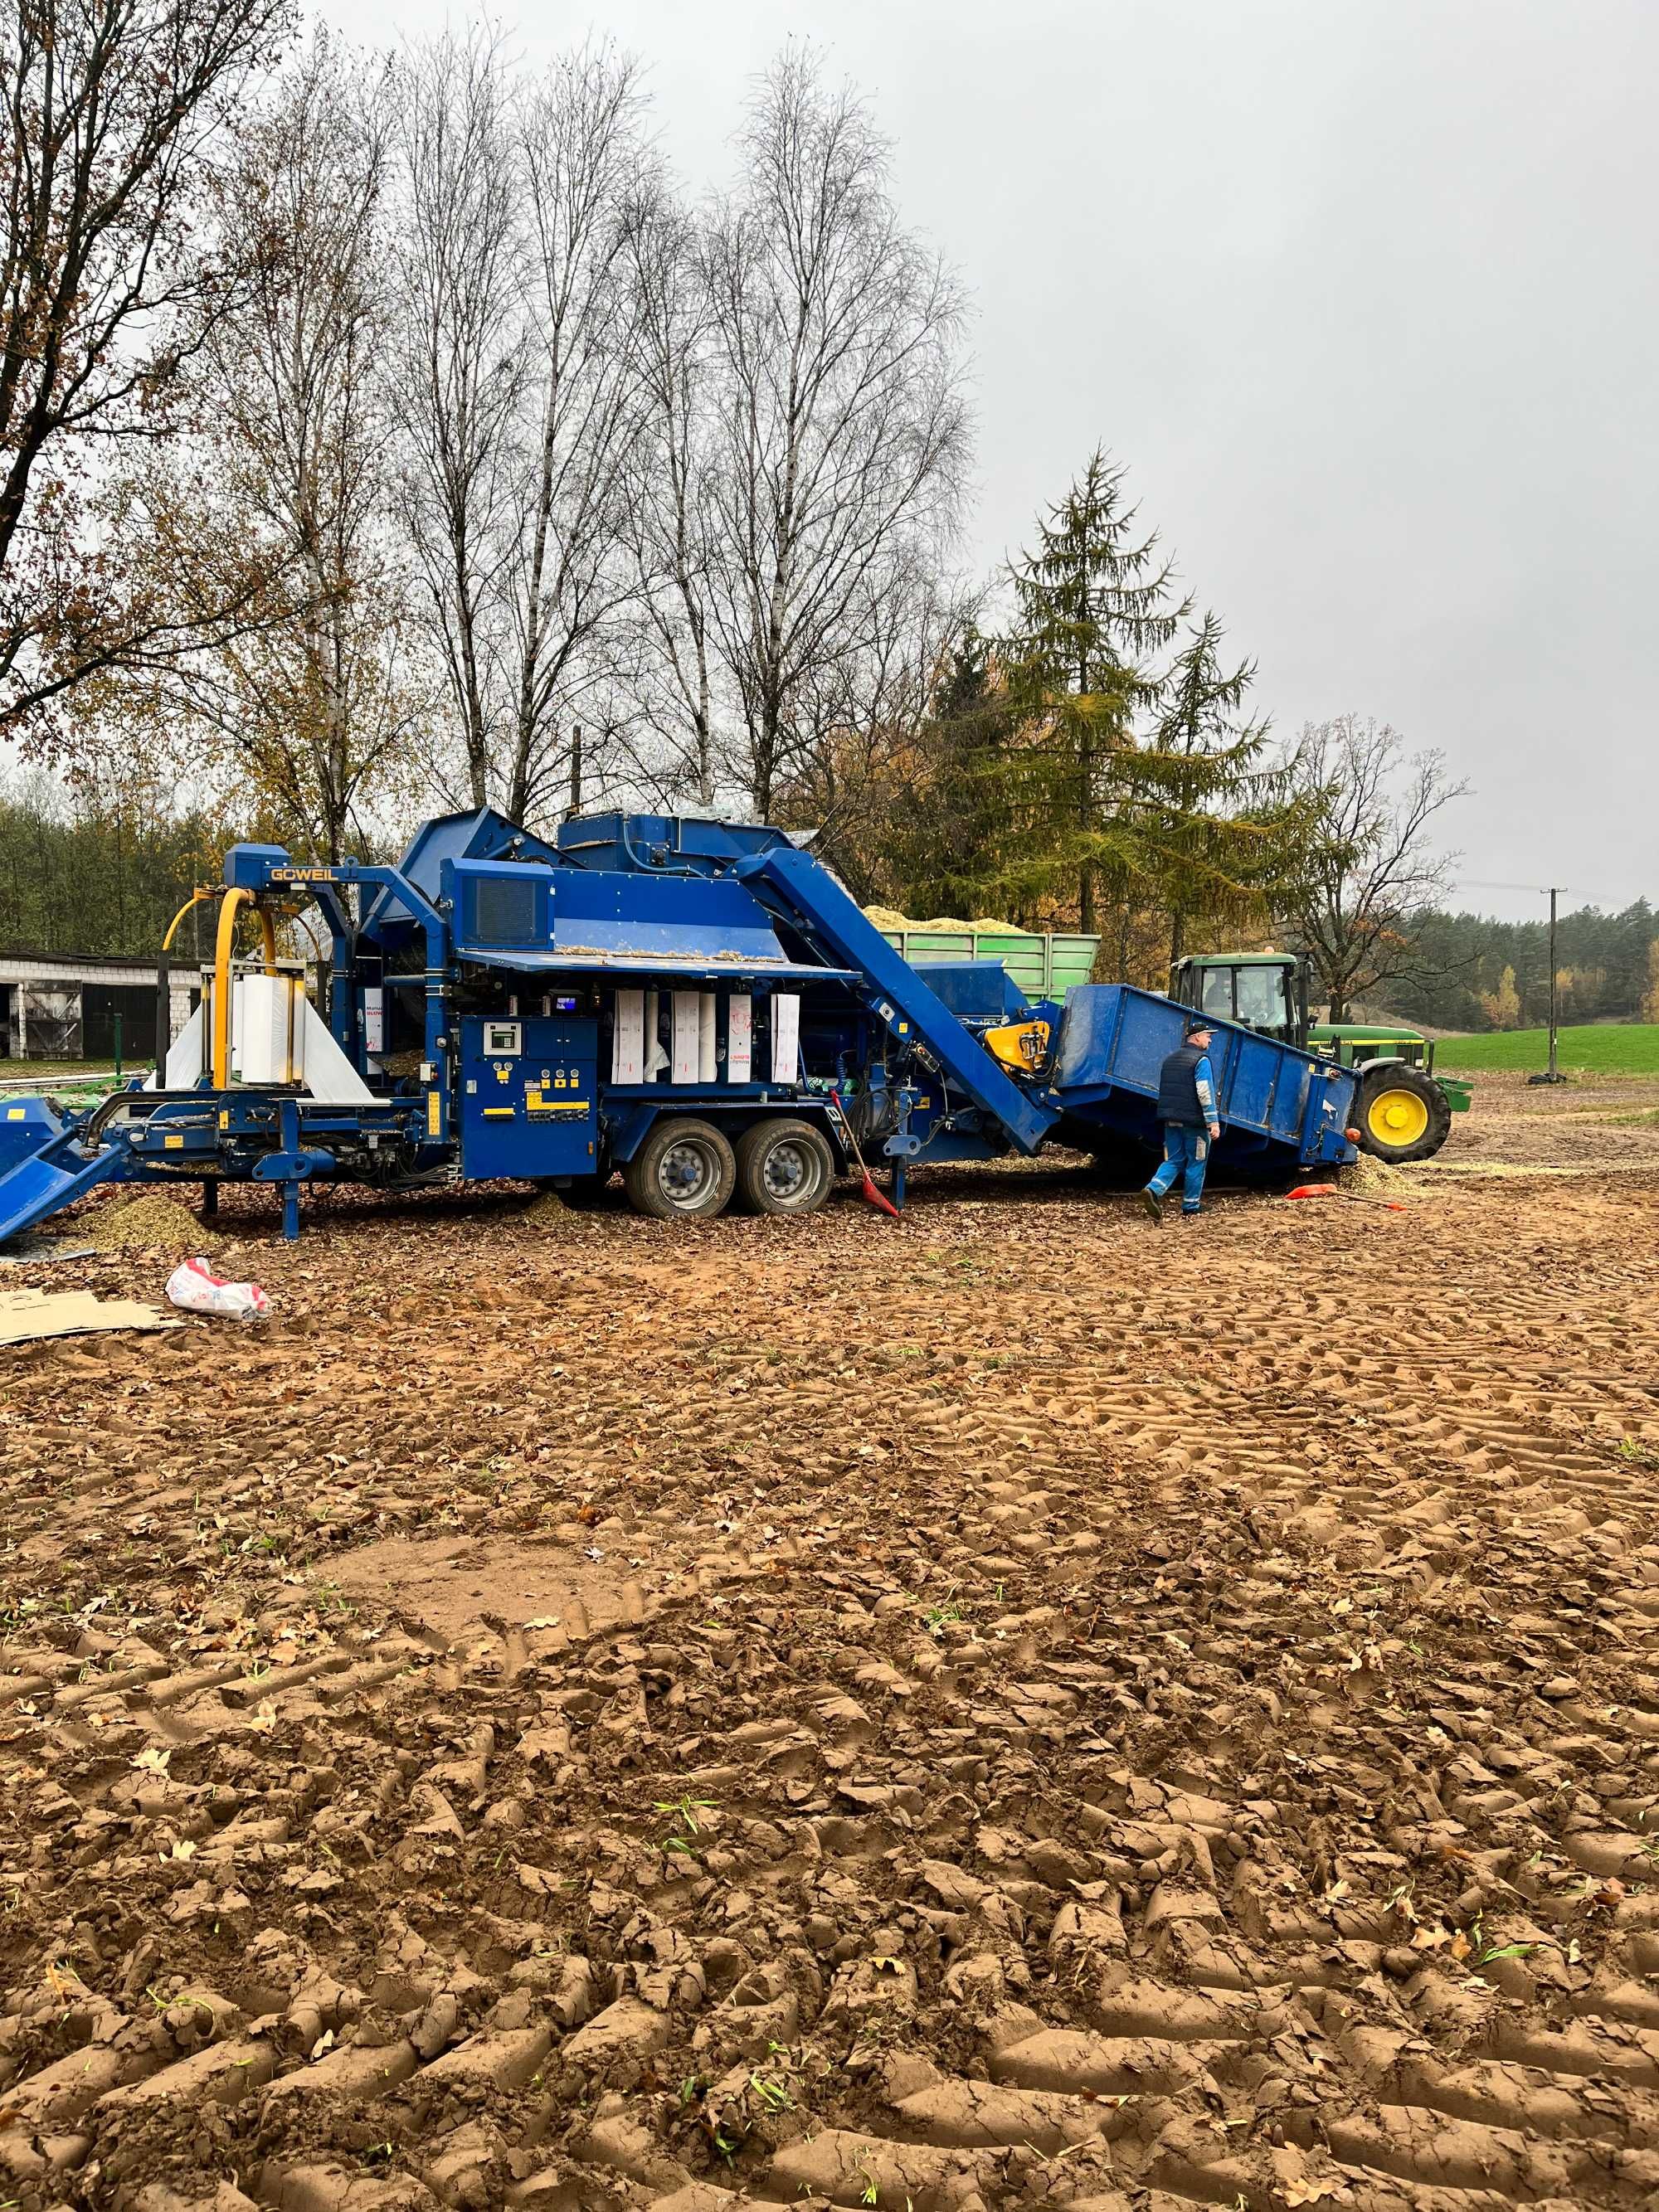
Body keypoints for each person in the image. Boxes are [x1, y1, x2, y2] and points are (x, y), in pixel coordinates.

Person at [1141, 1014, 1221, 1223]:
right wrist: (1213, 1122)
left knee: (1174, 1159)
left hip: (1170, 1119)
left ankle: (1153, 1189)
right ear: (1196, 1037)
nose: (1210, 1040)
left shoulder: (1170, 1060)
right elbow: (1205, 1093)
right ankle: (1191, 1205)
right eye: (1207, 1036)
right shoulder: (1201, 1061)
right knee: (1197, 1162)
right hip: (1194, 1122)